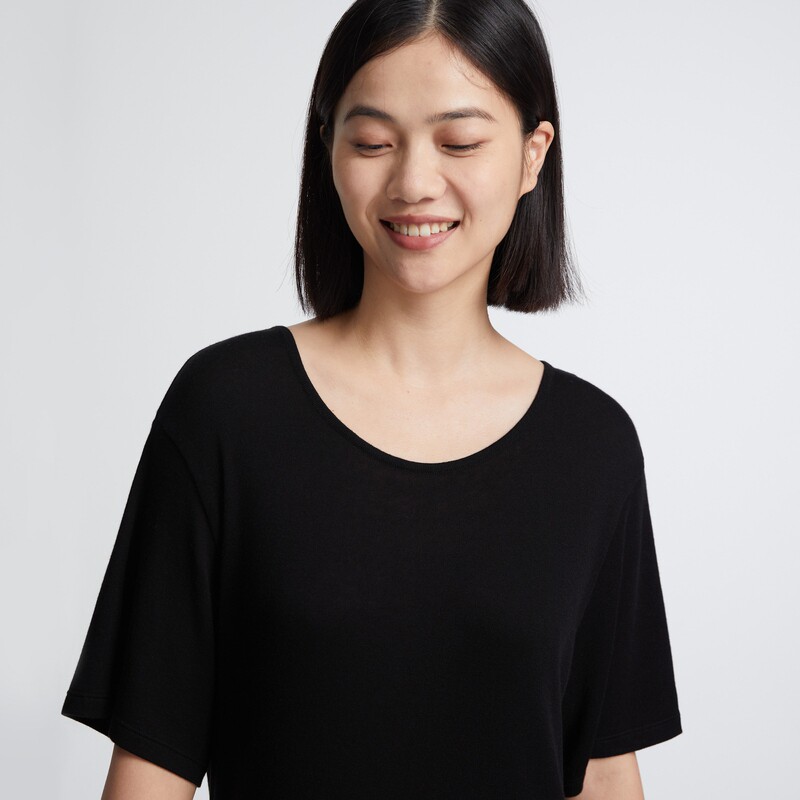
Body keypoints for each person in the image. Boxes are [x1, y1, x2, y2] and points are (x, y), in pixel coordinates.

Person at [60, 0, 683, 797]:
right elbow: (153, 765)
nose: (414, 183)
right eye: (372, 143)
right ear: (328, 149)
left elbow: (601, 768)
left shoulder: (592, 447)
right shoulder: (226, 413)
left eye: (460, 142)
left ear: (533, 156)